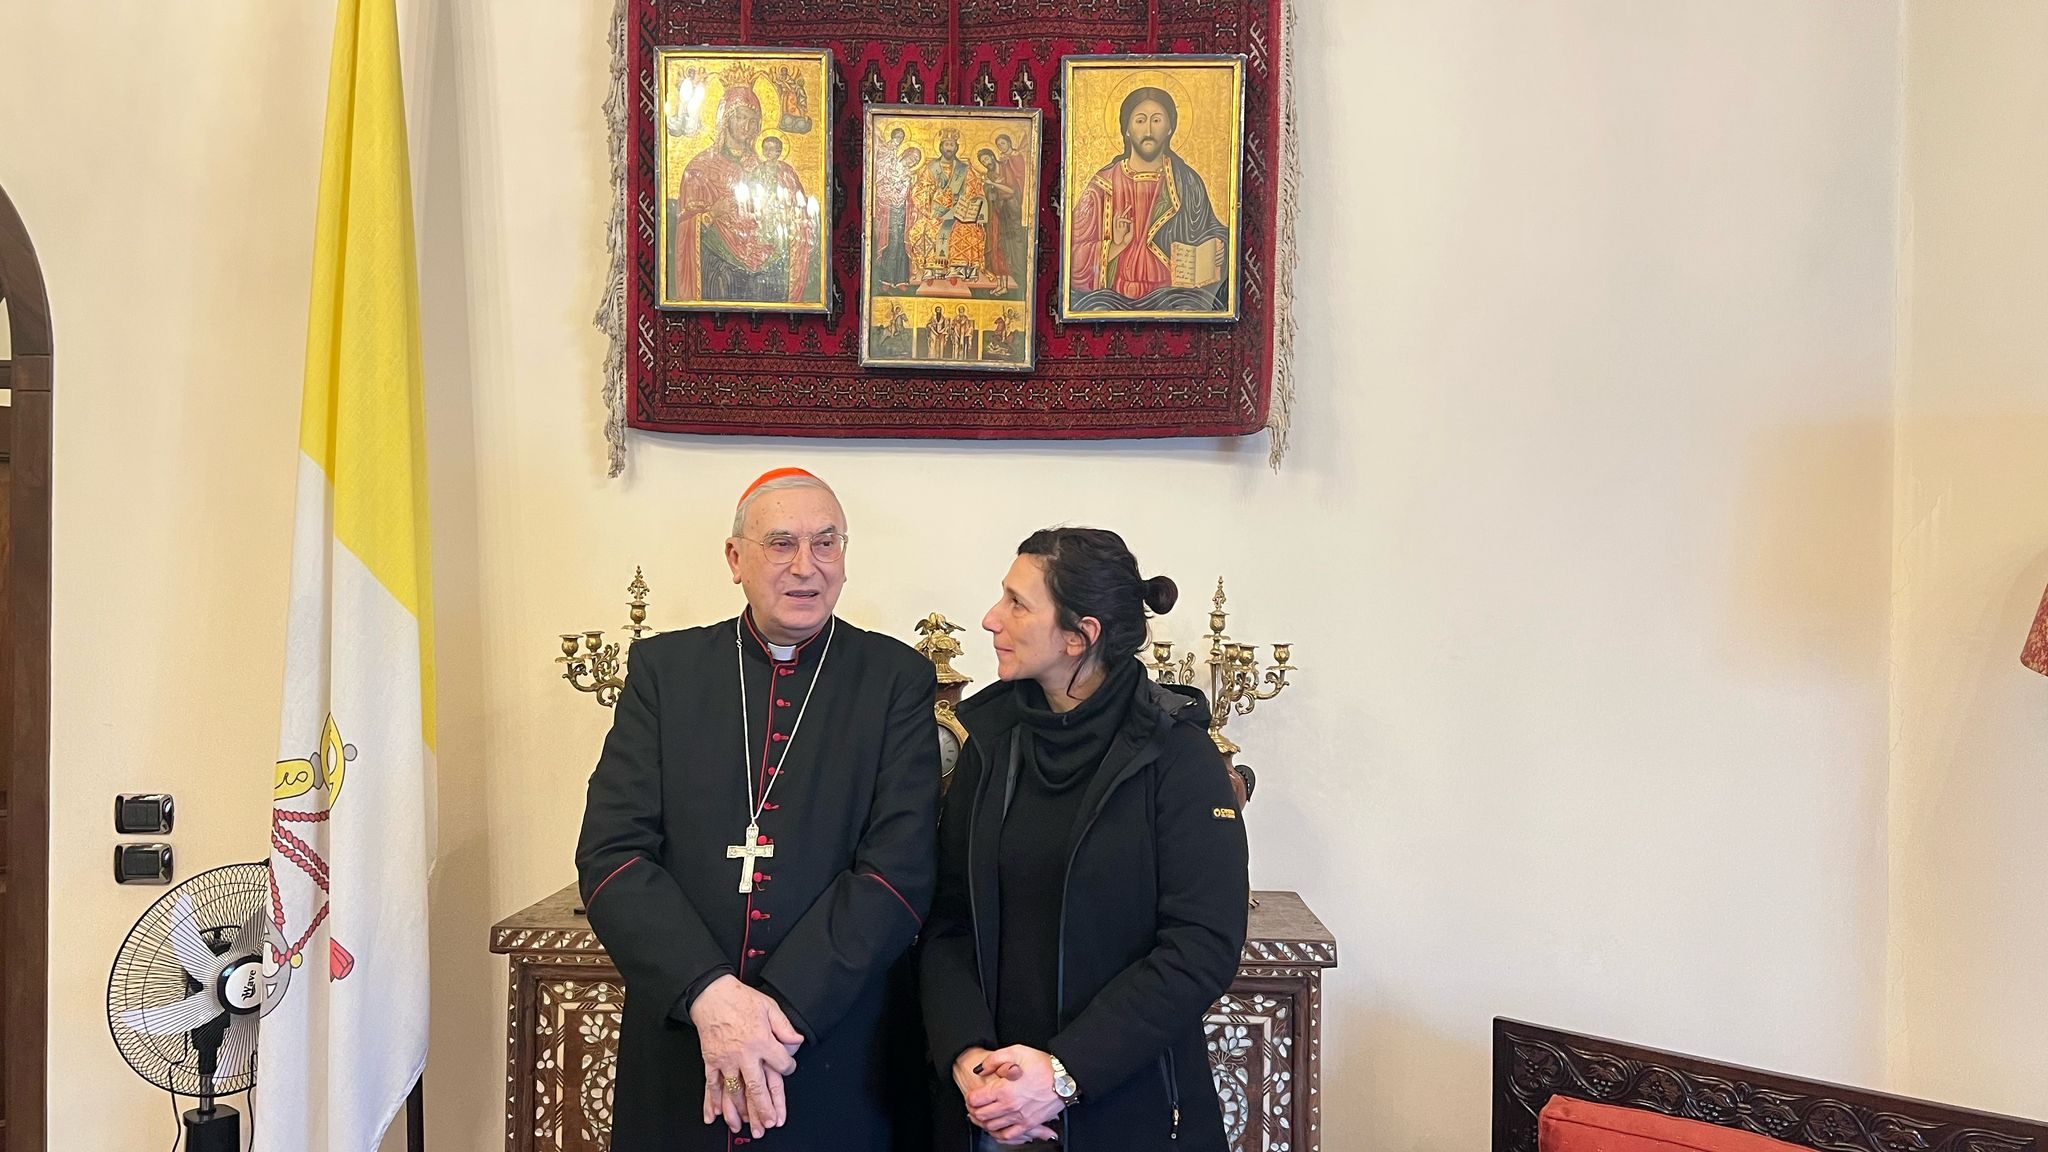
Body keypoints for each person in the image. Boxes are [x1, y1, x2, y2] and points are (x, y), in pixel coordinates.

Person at [576, 468, 939, 1151]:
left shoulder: (895, 679)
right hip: (686, 1037)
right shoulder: (665, 672)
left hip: (831, 1044)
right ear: (735, 558)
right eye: (781, 544)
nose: (807, 567)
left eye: (826, 544)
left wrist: (775, 1019)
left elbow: (899, 870)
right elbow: (612, 854)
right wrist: (711, 998)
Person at [921, 528, 1251, 1151]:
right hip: (988, 1113)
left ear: (1081, 634)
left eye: (1018, 603)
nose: (992, 619)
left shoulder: (1177, 756)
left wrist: (1066, 1072)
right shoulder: (988, 744)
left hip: (1132, 1110)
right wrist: (966, 1056)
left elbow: (1201, 946)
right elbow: (946, 921)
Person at [1067, 86, 1232, 313]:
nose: (1148, 129)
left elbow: (1213, 231)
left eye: (1157, 120)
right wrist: (1116, 245)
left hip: (1174, 298)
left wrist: (1217, 248)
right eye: (1140, 120)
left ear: (1169, 128)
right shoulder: (1102, 186)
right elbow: (1072, 256)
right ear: (1126, 129)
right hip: (1110, 299)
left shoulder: (1187, 182)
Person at [672, 83, 819, 305]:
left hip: (764, 261)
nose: (747, 126)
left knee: (771, 284)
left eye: (753, 121)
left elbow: (792, 214)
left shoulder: (767, 167)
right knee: (723, 280)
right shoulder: (699, 168)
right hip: (719, 261)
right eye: (741, 117)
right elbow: (684, 229)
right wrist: (711, 213)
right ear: (726, 118)